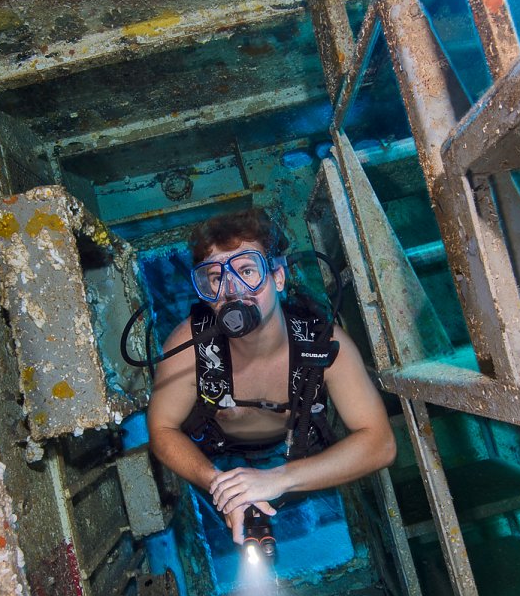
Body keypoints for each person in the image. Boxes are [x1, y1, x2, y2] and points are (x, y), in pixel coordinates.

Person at [147, 208, 396, 544]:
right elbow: (162, 428)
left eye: (247, 269)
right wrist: (220, 486)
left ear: (278, 278)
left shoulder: (324, 344)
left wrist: (280, 478)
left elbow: (380, 443)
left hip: (294, 450)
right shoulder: (189, 344)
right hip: (220, 451)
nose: (232, 290)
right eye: (217, 278)